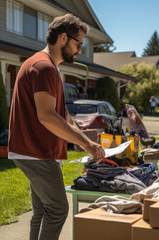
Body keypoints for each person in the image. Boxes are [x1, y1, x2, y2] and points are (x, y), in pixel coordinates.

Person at [8, 14, 105, 240]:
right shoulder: (44, 67)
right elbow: (47, 117)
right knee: (58, 210)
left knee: (42, 211)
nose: (80, 50)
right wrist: (86, 144)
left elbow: (61, 113)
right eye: (78, 44)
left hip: (32, 151)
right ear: (63, 38)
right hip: (37, 153)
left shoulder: (45, 65)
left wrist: (82, 135)